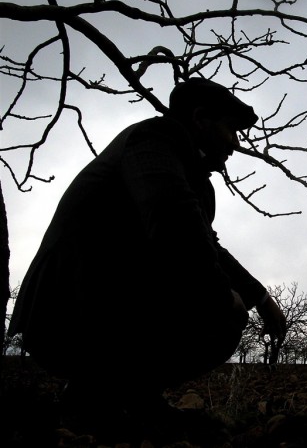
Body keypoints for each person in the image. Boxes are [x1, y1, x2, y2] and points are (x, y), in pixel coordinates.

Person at [8, 77, 286, 433]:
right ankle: (94, 399)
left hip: (109, 299)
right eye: (231, 129)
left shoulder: (197, 180)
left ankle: (131, 398)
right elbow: (173, 222)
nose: (235, 142)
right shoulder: (155, 139)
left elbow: (207, 243)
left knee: (217, 304)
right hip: (68, 304)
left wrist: (260, 297)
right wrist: (219, 295)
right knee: (220, 314)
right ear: (200, 118)